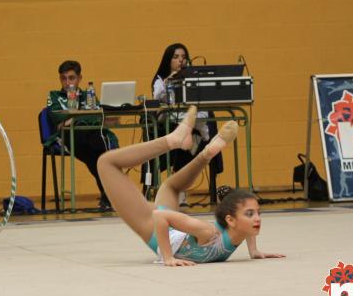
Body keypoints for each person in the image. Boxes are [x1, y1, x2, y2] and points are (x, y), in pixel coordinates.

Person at [98, 106, 284, 266]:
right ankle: (172, 141)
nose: (257, 219)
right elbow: (158, 216)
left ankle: (205, 154)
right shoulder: (208, 232)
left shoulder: (238, 228)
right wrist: (168, 257)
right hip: (155, 227)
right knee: (106, 163)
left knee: (171, 186)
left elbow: (246, 220)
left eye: (257, 213)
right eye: (251, 214)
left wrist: (254, 251)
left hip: (173, 231)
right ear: (230, 220)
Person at [149, 43, 223, 205]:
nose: (180, 60)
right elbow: (157, 97)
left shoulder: (192, 77)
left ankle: (179, 187)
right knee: (187, 136)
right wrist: (170, 80)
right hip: (168, 120)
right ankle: (178, 189)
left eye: (183, 57)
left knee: (192, 133)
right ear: (168, 60)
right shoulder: (160, 79)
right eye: (176, 57)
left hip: (188, 119)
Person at [47, 60, 119, 211]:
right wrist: (82, 119)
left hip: (91, 134)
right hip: (68, 137)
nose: (67, 82)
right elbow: (58, 120)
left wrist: (74, 119)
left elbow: (98, 117)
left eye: (71, 78)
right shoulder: (54, 96)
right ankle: (109, 196)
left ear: (80, 78)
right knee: (96, 157)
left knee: (100, 152)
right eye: (64, 78)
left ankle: (109, 196)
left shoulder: (89, 94)